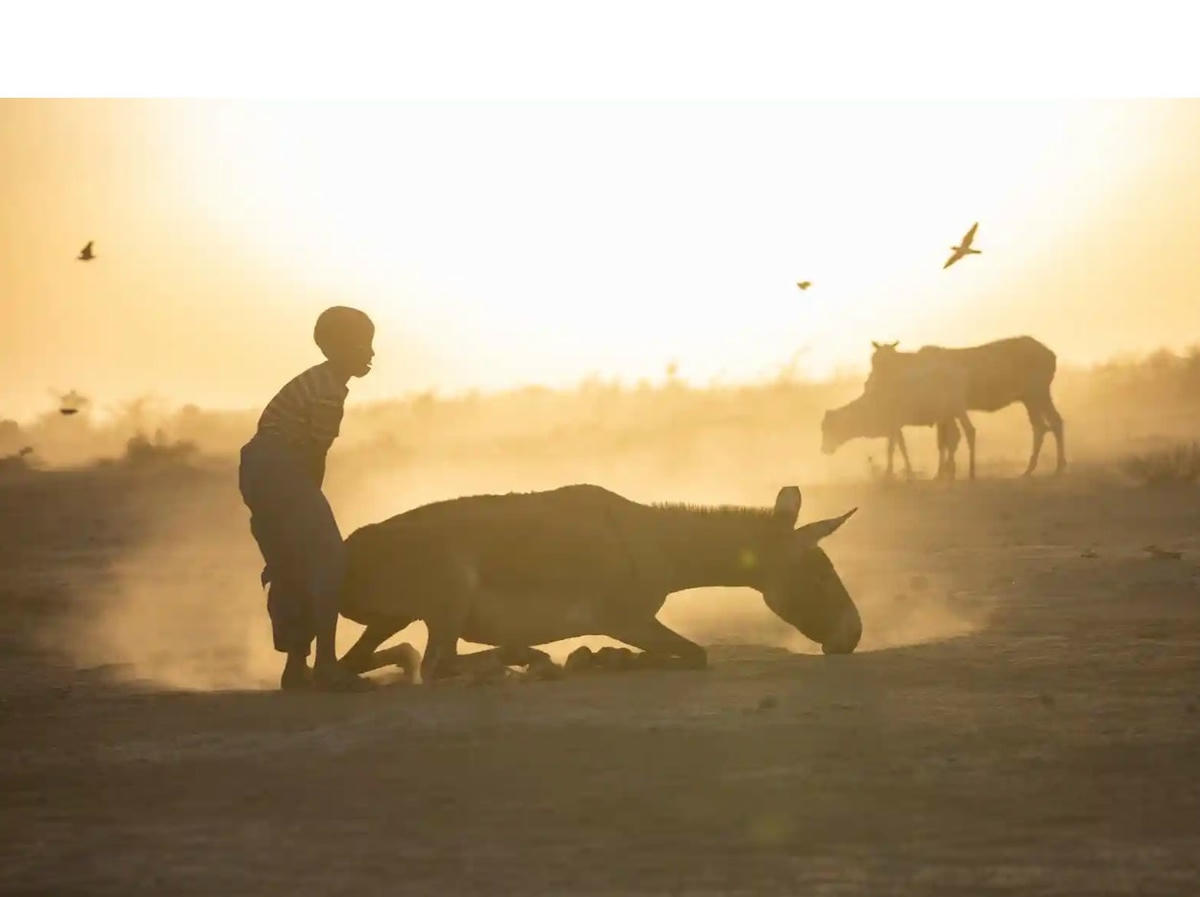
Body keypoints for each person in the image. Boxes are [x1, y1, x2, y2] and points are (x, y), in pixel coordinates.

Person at [238, 306, 375, 691]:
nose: (370, 353)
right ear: (336, 347)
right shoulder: (328, 390)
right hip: (279, 468)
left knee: (292, 564)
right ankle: (326, 664)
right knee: (328, 558)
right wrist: (310, 495)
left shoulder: (316, 382)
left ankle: (297, 667)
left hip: (258, 470)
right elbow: (315, 455)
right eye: (361, 344)